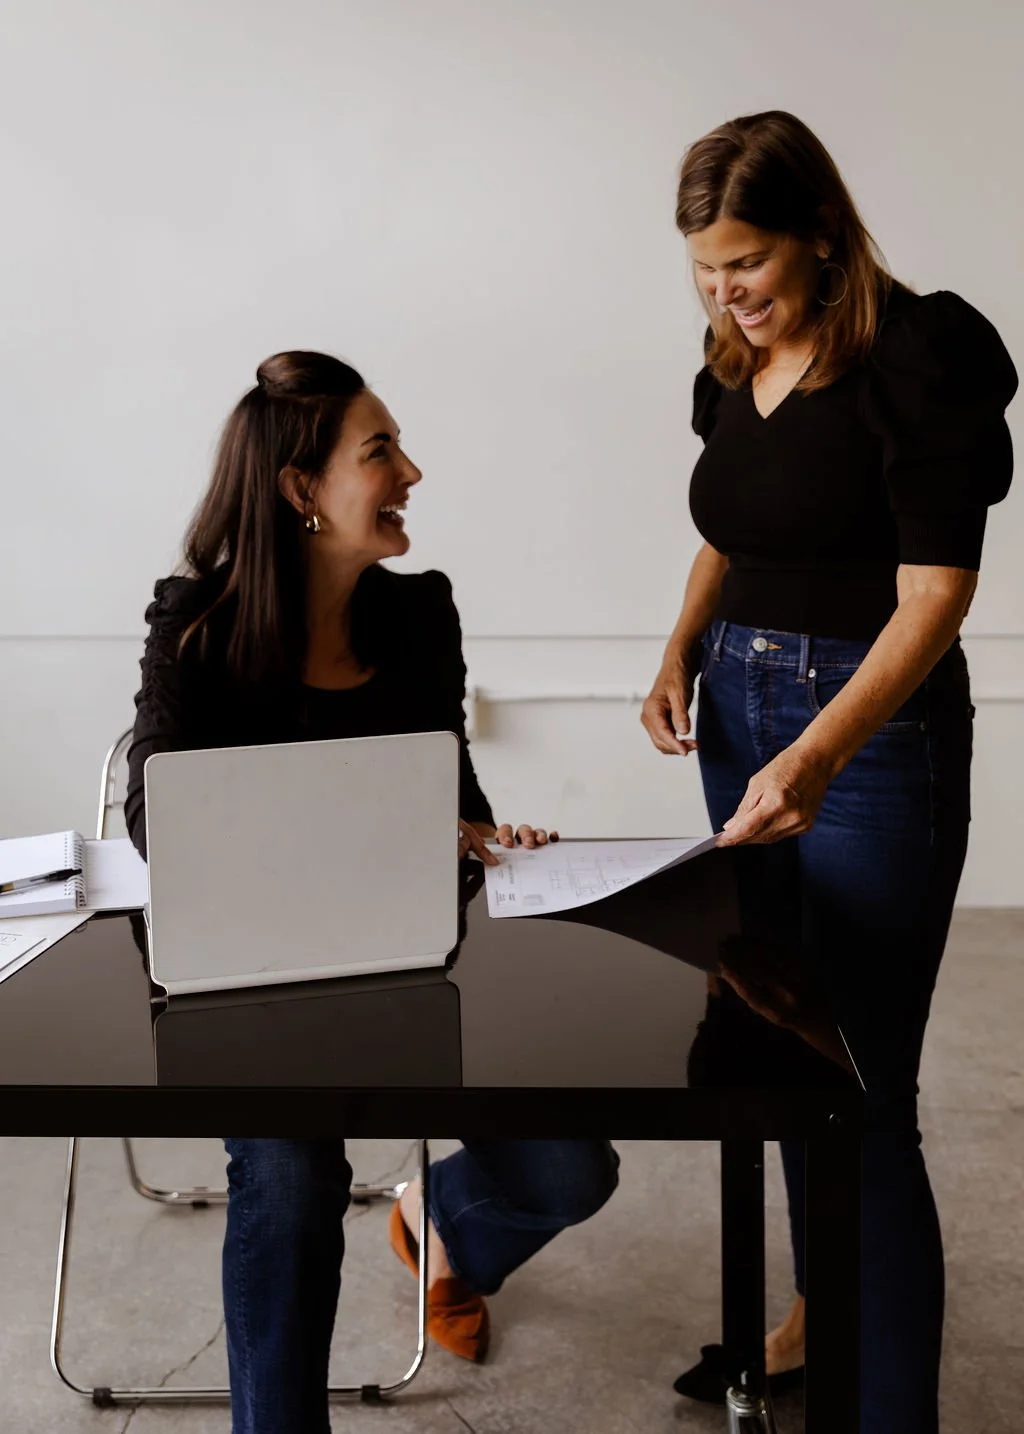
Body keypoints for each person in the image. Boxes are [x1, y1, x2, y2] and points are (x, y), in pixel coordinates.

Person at [125, 350, 619, 1434]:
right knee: (291, 1181)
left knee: (572, 1167)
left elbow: (451, 786)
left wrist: (482, 832)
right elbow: (155, 814)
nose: (412, 472)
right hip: (252, 988)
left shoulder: (418, 615)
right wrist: (337, 830)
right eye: (380, 451)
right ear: (302, 490)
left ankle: (434, 1228)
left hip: (411, 972)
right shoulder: (195, 624)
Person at [641, 111, 1016, 1433]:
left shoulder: (921, 356)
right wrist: (683, 645)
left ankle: (888, 1410)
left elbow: (935, 596)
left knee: (866, 1083)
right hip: (740, 707)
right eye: (701, 266)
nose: (723, 291)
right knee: (780, 1048)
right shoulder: (728, 361)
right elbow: (731, 532)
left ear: (817, 236)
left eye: (744, 261)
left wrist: (818, 746)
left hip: (865, 733)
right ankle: (820, 1322)